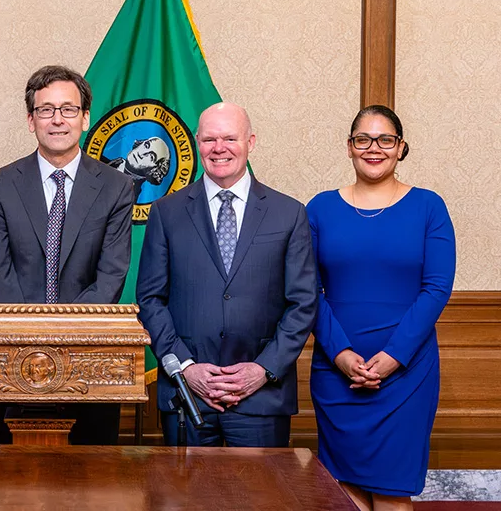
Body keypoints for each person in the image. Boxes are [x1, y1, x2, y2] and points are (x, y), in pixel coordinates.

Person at [137, 101, 317, 447]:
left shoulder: (288, 213)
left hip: (262, 397)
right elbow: (150, 298)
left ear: (251, 142)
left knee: (258, 499)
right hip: (186, 395)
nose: (219, 148)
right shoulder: (166, 212)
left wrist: (262, 370)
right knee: (186, 499)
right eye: (209, 140)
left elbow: (303, 303)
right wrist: (187, 368)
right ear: (196, 142)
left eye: (230, 138)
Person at [307, 105, 455, 510]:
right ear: (349, 148)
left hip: (407, 373)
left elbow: (438, 287)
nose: (374, 148)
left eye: (385, 140)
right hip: (337, 371)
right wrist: (340, 355)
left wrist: (393, 357)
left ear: (401, 147)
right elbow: (306, 290)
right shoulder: (319, 208)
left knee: (392, 490)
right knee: (345, 489)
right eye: (363, 139)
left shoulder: (429, 207)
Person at [0, 65, 134, 445]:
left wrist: (65, 336)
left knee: (94, 483)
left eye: (68, 109)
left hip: (90, 359)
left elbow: (111, 275)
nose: (57, 120)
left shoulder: (116, 186)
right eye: (46, 110)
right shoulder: (0, 185)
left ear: (85, 118)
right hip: (16, 359)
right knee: (17, 487)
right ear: (31, 120)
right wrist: (34, 339)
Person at [106, 136, 171, 202]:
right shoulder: (100, 163)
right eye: (146, 145)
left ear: (154, 171)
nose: (142, 154)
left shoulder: (136, 199)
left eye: (151, 157)